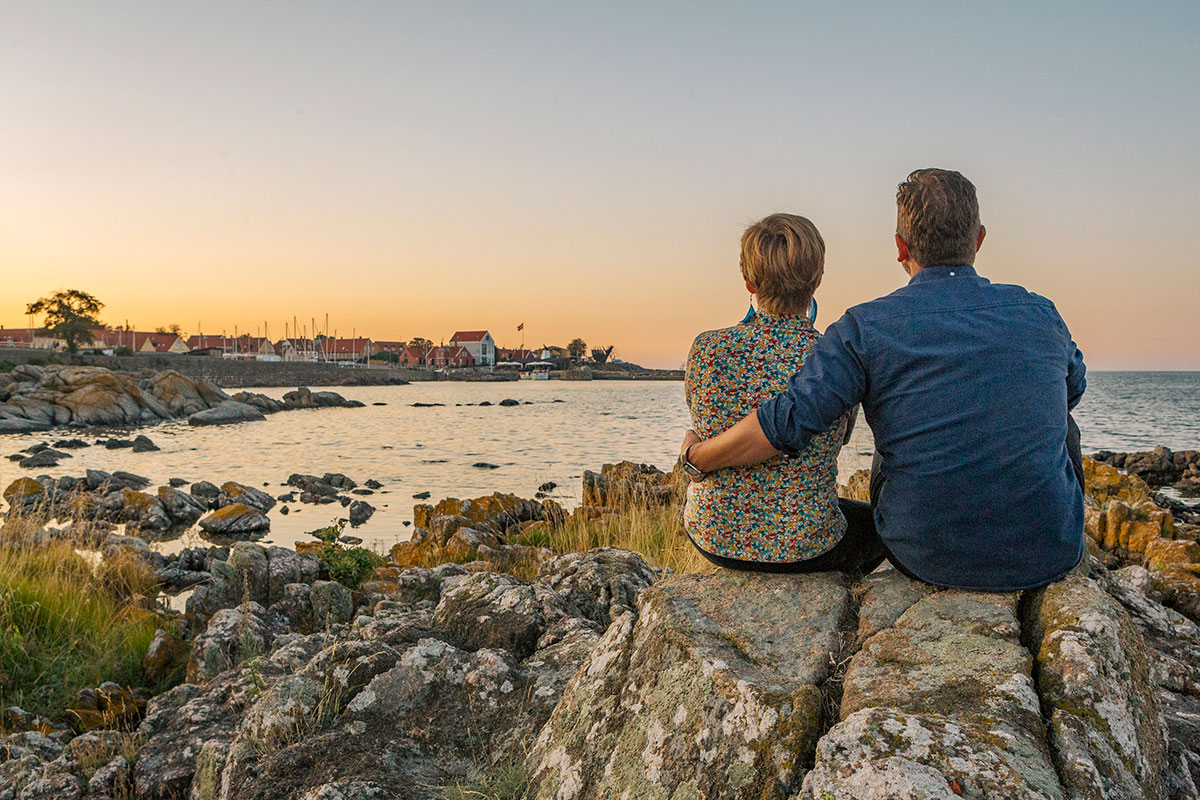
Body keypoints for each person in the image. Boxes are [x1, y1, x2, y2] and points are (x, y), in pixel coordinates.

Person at [679, 169, 1086, 592]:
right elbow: (1072, 389)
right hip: (1050, 552)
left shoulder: (865, 327)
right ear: (979, 238)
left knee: (896, 429)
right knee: (1063, 422)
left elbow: (788, 422)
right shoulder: (1041, 313)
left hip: (924, 553)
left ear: (900, 247)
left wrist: (698, 458)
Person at [682, 213, 886, 576]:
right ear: (817, 278)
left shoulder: (706, 349)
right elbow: (838, 441)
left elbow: (702, 424)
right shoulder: (835, 357)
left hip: (712, 535)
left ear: (748, 281)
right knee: (876, 526)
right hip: (804, 545)